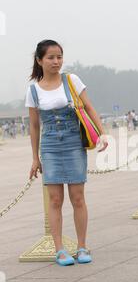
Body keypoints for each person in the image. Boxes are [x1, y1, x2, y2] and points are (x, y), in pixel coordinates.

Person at [25, 39, 108, 266]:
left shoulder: (71, 80)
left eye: (59, 56)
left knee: (78, 197)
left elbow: (89, 107)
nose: (56, 61)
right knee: (55, 199)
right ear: (40, 60)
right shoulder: (33, 90)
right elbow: (34, 126)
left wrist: (102, 133)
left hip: (73, 141)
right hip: (50, 145)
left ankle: (82, 246)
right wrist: (35, 158)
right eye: (51, 57)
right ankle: (60, 249)